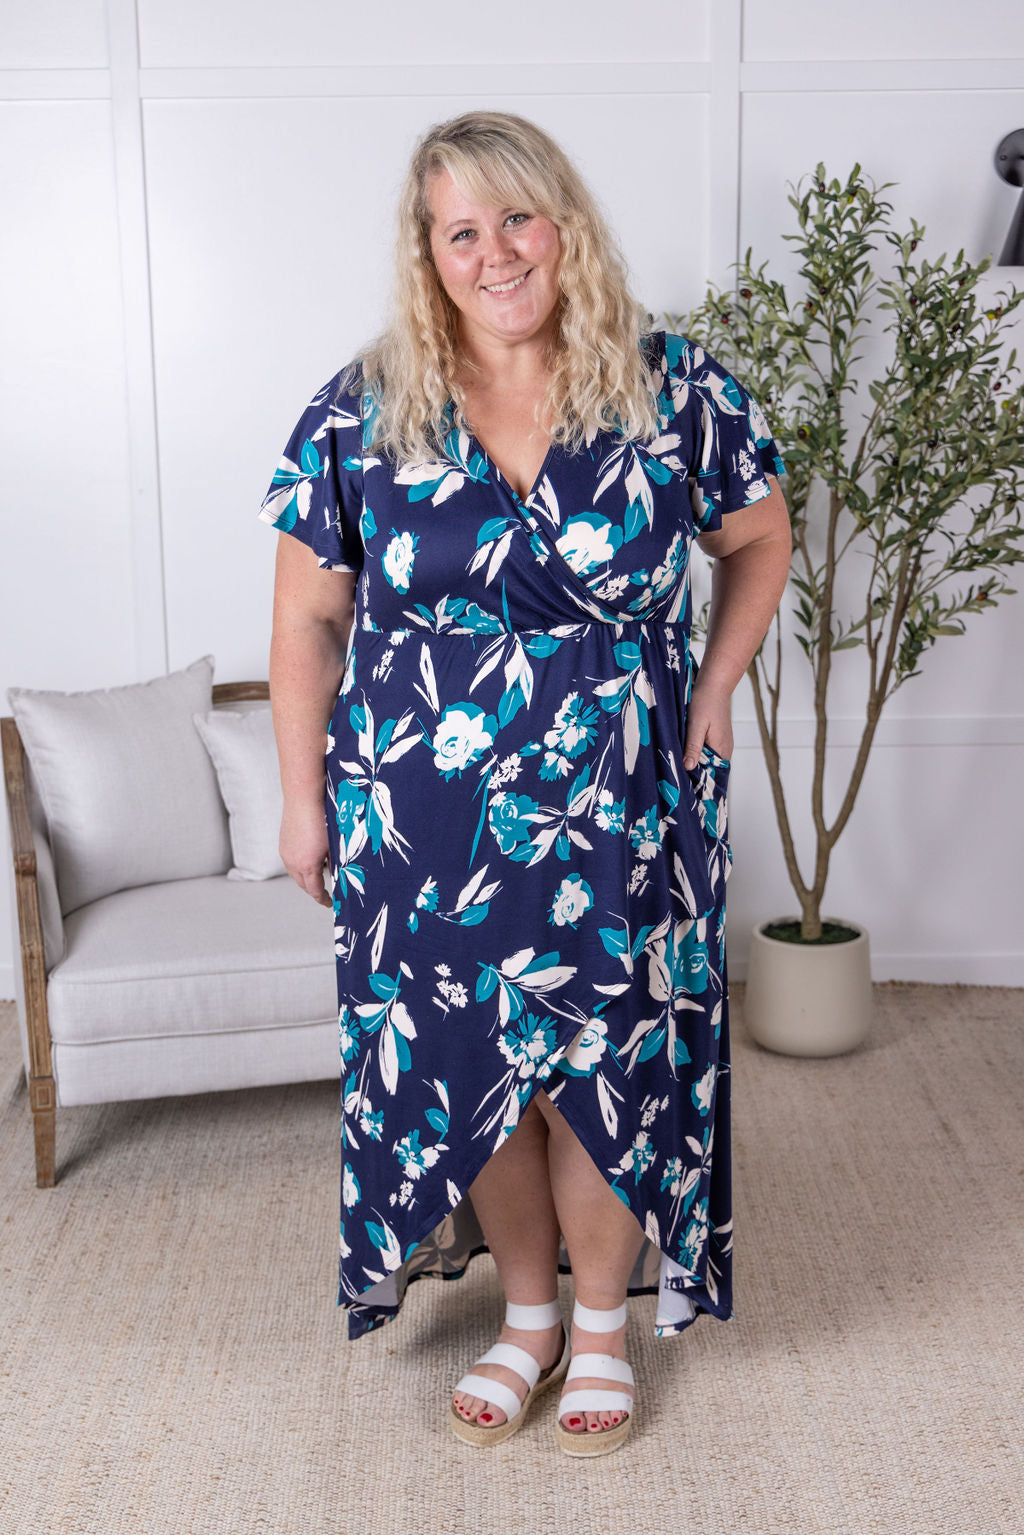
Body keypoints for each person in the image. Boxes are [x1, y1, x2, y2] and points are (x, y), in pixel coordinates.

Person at [260, 110, 791, 1456]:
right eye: (462, 231)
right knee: (471, 1071)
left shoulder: (674, 386)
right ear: (427, 254)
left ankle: (605, 1324)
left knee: (605, 1068)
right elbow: (308, 620)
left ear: (564, 225)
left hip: (626, 801)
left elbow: (760, 538)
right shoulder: (363, 406)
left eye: (515, 219)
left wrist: (714, 690)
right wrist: (303, 798)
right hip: (422, 812)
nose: (494, 253)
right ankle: (530, 1316)